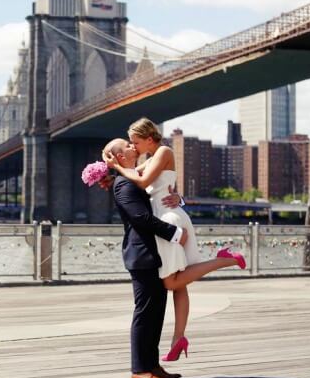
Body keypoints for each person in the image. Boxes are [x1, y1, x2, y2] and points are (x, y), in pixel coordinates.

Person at [103, 118, 245, 362]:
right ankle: (179, 337)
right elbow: (144, 184)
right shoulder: (147, 161)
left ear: (149, 138)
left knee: (170, 282)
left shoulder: (163, 151)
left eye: (135, 142)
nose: (134, 147)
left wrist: (117, 168)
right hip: (166, 215)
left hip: (168, 220)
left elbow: (144, 182)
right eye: (131, 144)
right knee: (179, 282)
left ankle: (225, 260)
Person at [97, 138, 186, 378]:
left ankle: (152, 364)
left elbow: (160, 198)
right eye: (126, 145)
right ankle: (139, 369)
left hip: (153, 254)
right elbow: (141, 217)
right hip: (141, 255)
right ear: (118, 157)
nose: (131, 146)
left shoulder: (135, 177)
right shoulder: (124, 184)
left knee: (157, 311)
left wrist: (178, 199)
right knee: (145, 313)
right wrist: (175, 234)